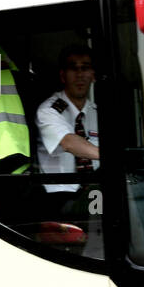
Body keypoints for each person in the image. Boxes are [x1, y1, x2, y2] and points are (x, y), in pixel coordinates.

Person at [34, 44, 100, 204]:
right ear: (63, 76)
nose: (79, 75)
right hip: (59, 200)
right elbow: (69, 143)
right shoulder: (49, 110)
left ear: (93, 75)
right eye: (73, 68)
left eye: (85, 68)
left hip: (93, 194)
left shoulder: (96, 112)